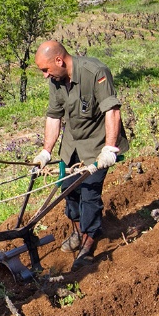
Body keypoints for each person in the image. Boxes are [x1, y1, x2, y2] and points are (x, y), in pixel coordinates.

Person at [30, 40, 129, 268]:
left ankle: (88, 242)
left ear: (59, 60)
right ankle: (77, 231)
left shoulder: (95, 72)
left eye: (45, 69)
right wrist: (46, 151)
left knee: (89, 195)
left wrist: (109, 149)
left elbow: (112, 110)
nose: (45, 75)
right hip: (72, 145)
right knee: (69, 192)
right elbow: (54, 116)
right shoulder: (56, 80)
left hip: (97, 145)